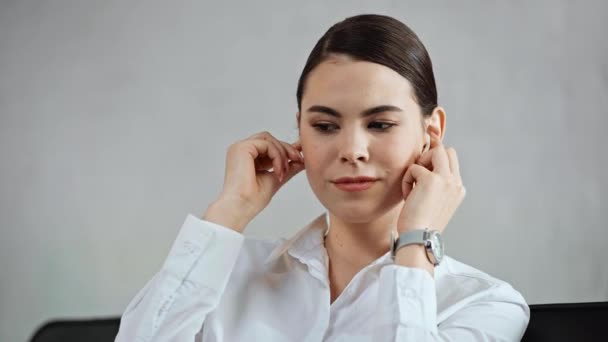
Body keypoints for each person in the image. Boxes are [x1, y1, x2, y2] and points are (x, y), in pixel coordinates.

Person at [114, 14, 530, 341]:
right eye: (325, 126)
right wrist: (229, 213)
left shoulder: (483, 303)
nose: (351, 149)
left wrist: (417, 240)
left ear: (432, 133)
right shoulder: (227, 273)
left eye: (380, 124)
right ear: (300, 130)